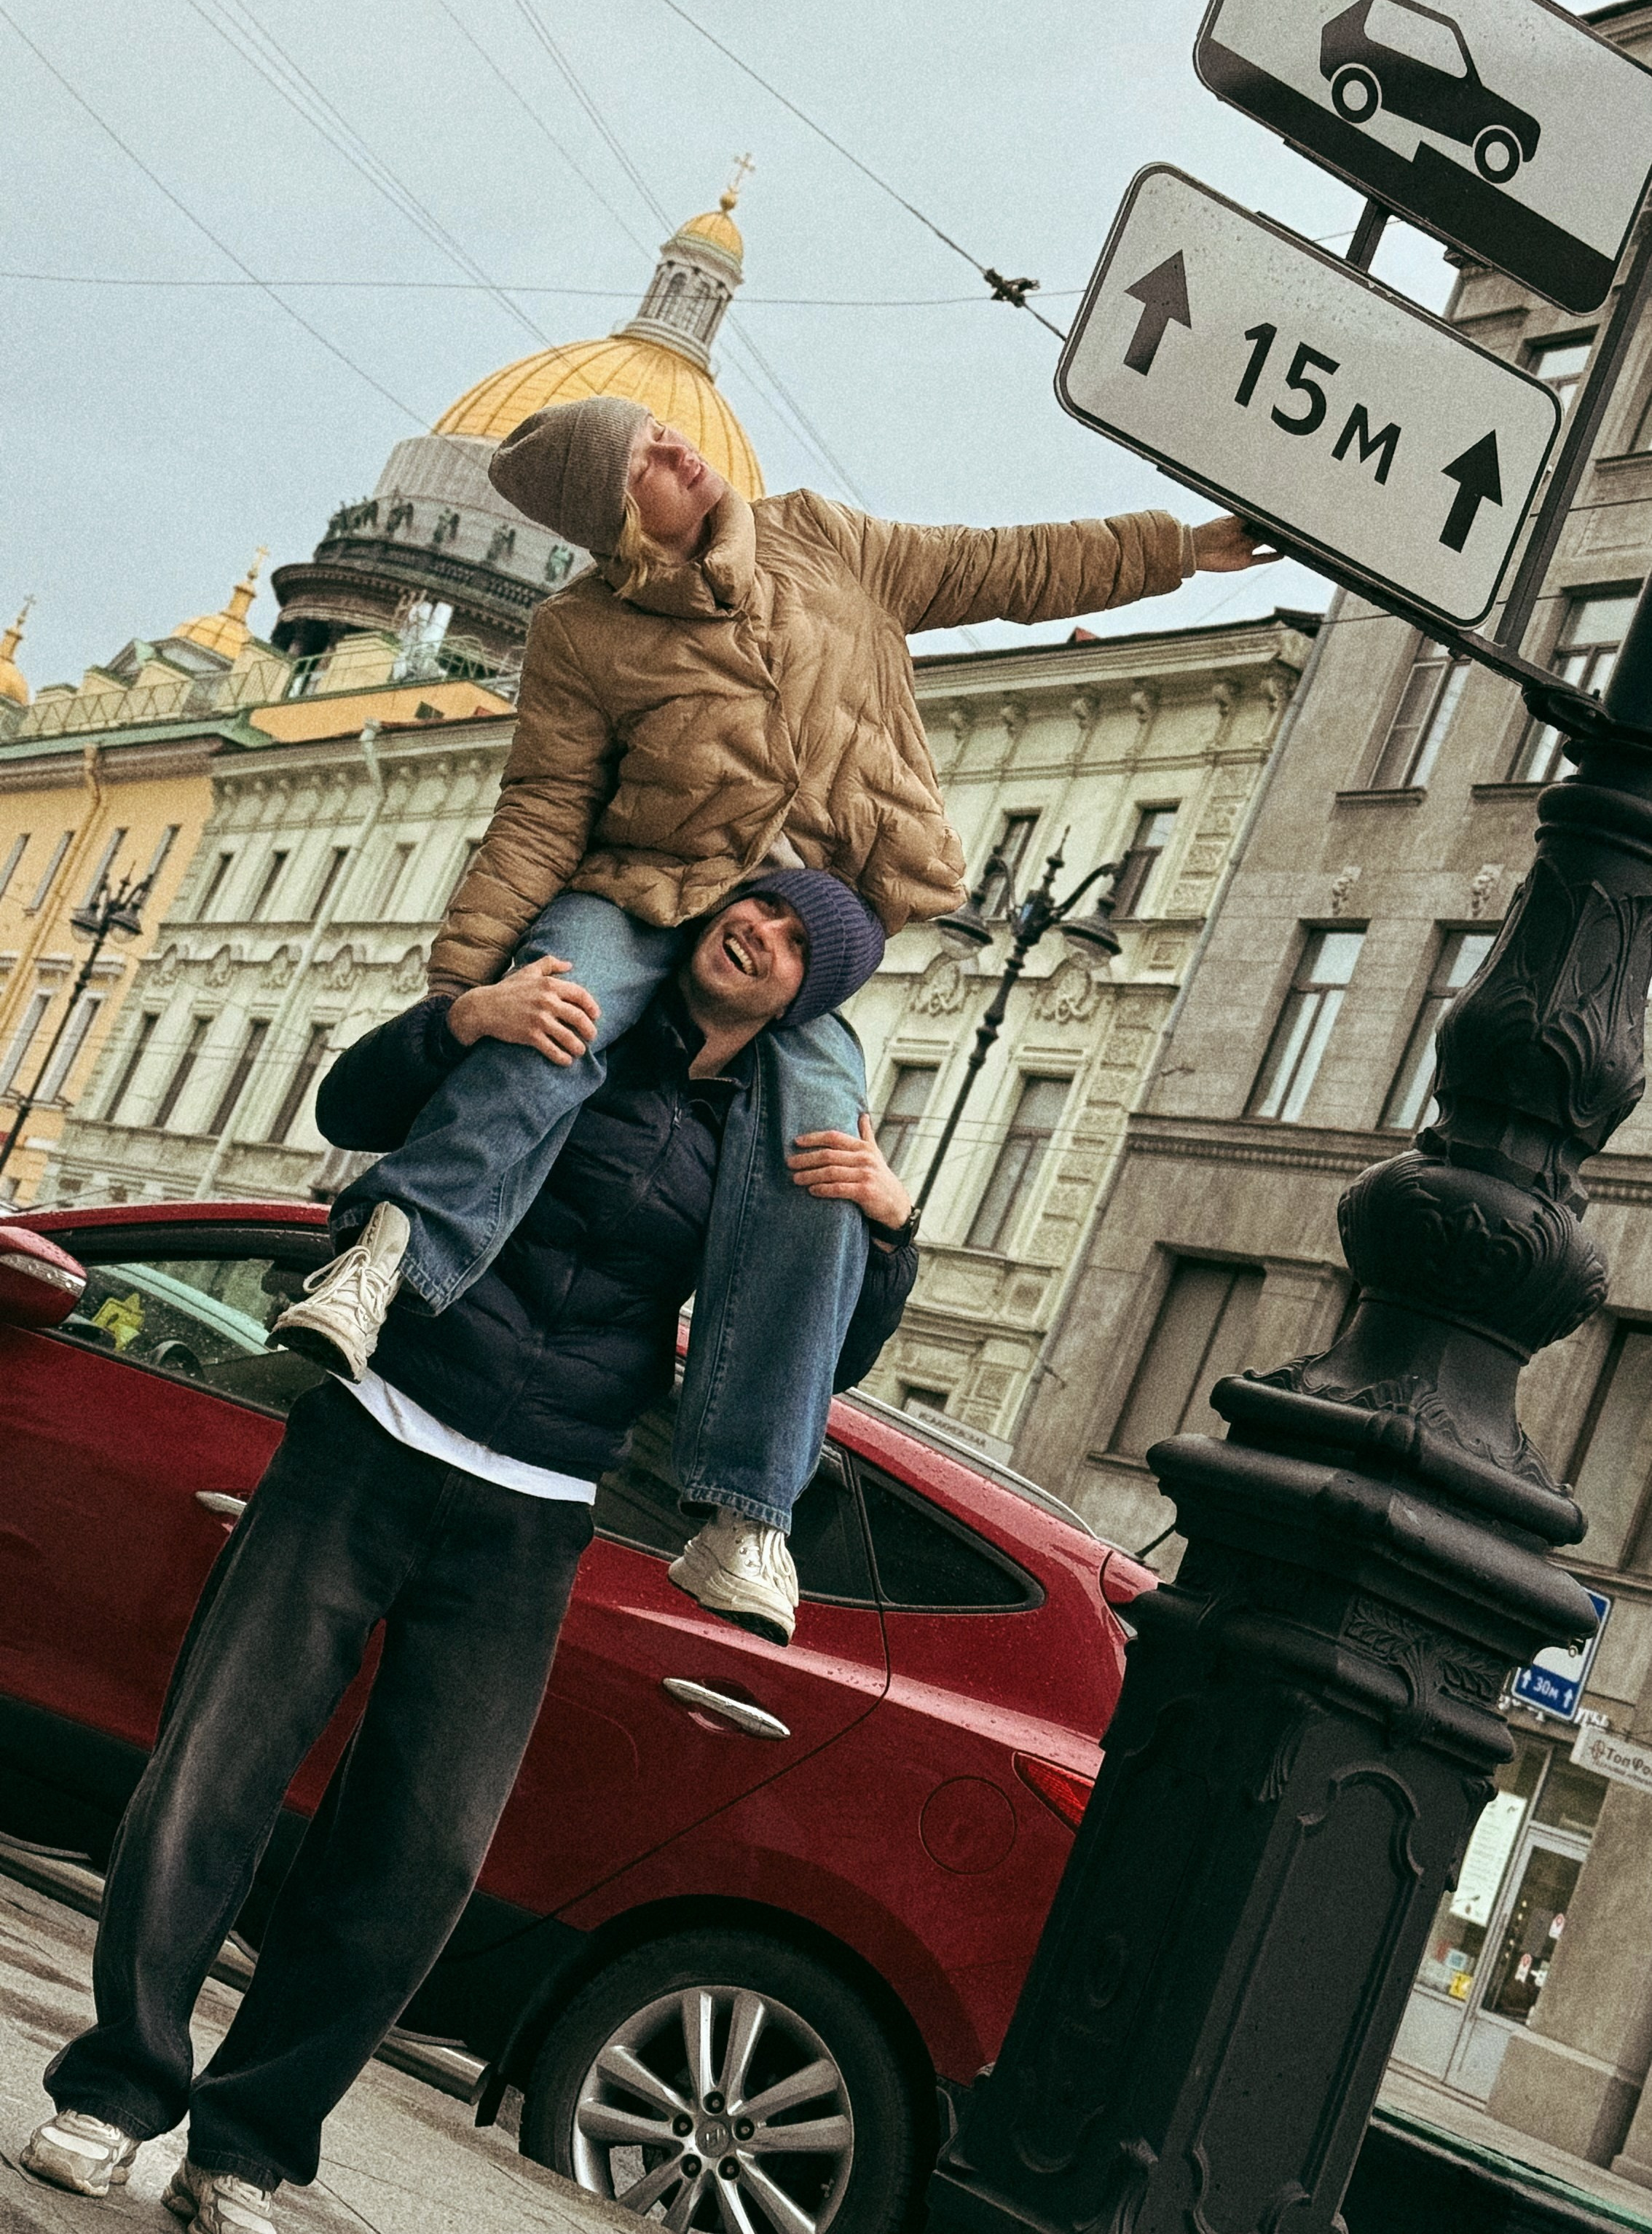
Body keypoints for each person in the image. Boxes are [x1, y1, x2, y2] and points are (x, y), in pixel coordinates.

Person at [275, 398, 1268, 1625]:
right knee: (557, 1004)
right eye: (641, 459)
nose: (676, 447)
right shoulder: (581, 632)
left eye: (659, 434)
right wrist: (467, 997)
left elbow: (1002, 565)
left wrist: (1176, 549)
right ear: (614, 517)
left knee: (823, 1161)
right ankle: (387, 1261)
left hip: (826, 904)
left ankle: (745, 1514)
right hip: (652, 892)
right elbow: (540, 809)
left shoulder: (823, 542)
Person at [23, 876, 916, 2230]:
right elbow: (348, 1108)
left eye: (801, 945)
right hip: (370, 1433)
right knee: (214, 1772)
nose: (762, 935)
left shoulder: (773, 1133)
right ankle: (114, 2095)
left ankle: (246, 2147)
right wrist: (465, 1020)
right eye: (756, 907)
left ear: (816, 995)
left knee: (418, 1852)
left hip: (535, 1507)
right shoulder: (575, 1006)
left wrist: (890, 1233)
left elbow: (814, 1355)